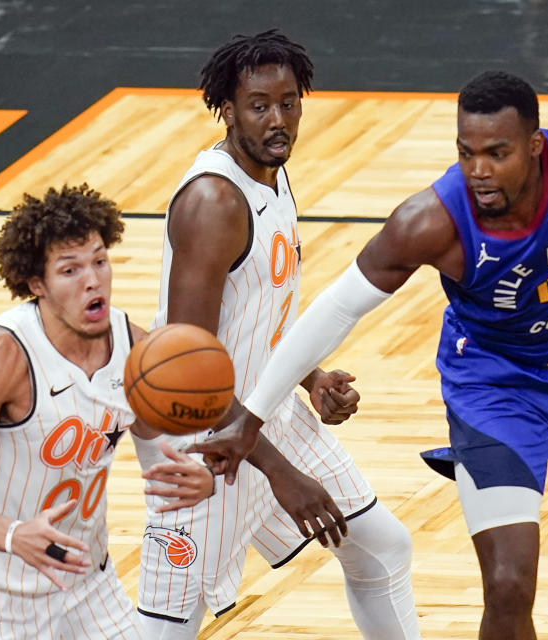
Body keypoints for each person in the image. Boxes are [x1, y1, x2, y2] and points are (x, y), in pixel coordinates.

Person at [194, 71, 548, 639]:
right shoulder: (430, 220)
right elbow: (336, 310)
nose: (479, 169)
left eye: (497, 153)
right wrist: (251, 417)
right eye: (467, 152)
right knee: (508, 581)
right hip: (495, 388)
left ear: (535, 147)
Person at [130, 30, 419, 639]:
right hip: (203, 439)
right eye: (260, 105)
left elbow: (257, 307)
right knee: (167, 628)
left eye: (289, 102)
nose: (279, 118)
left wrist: (308, 374)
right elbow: (184, 367)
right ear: (228, 111)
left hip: (262, 413)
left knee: (382, 549)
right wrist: (282, 475)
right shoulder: (215, 202)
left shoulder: (270, 172)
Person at [0, 184, 215, 639]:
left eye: (99, 261)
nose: (92, 280)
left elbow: (162, 460)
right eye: (70, 270)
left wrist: (195, 475)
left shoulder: (136, 349)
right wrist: (14, 535)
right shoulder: (0, 355)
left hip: (86, 586)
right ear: (37, 285)